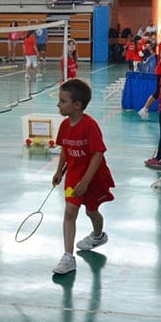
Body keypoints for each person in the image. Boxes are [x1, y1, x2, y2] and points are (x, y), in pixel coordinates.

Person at [51, 78, 115, 275]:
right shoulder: (64, 125)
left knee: (91, 211)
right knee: (70, 212)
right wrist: (59, 171)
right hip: (73, 175)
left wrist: (86, 181)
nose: (58, 104)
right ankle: (68, 257)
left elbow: (98, 153)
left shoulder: (90, 125)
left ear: (77, 105)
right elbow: (65, 149)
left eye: (63, 101)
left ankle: (98, 236)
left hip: (93, 177)